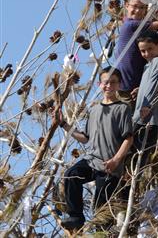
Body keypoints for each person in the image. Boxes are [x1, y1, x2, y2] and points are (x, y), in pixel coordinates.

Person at [56, 67, 133, 231]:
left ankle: (103, 232)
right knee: (71, 174)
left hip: (109, 166)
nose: (109, 86)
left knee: (100, 208)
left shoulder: (123, 108)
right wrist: (63, 124)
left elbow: (129, 138)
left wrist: (116, 160)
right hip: (92, 160)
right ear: (100, 84)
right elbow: (85, 138)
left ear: (119, 85)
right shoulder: (94, 109)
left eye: (113, 83)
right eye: (106, 82)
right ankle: (75, 216)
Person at [113, 0, 158, 101]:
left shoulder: (131, 24)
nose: (138, 11)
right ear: (127, 5)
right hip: (127, 90)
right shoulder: (130, 25)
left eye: (142, 8)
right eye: (135, 6)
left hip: (135, 88)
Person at [132, 30, 158, 168]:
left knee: (137, 158)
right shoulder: (148, 66)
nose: (147, 54)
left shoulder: (157, 62)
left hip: (148, 118)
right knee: (136, 158)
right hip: (145, 116)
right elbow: (150, 85)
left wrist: (146, 106)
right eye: (143, 51)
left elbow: (153, 86)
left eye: (150, 49)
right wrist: (140, 89)